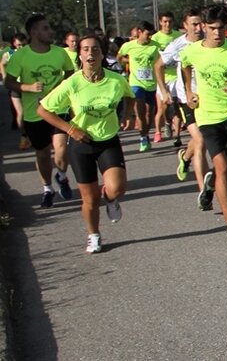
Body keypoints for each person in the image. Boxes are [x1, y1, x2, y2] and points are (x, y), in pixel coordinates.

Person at [37, 35, 132, 254]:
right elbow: (43, 109)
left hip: (108, 140)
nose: (91, 54)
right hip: (81, 144)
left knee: (117, 187)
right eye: (86, 49)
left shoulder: (116, 80)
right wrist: (70, 129)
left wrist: (128, 115)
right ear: (79, 55)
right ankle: (94, 235)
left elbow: (130, 95)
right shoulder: (72, 83)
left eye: (95, 49)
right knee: (89, 199)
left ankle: (110, 199)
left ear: (101, 53)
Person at [180, 5, 227, 244]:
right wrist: (189, 90)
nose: (217, 33)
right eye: (212, 28)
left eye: (221, 28)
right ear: (203, 27)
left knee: (223, 166)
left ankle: (211, 184)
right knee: (223, 167)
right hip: (208, 115)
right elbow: (185, 66)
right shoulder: (192, 51)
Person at [3, 14, 75, 207]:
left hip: (58, 109)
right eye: (45, 28)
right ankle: (47, 188)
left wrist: (59, 87)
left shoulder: (60, 53)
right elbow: (8, 82)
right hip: (34, 112)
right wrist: (27, 87)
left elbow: (70, 73)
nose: (50, 31)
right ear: (34, 32)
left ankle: (61, 175)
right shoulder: (21, 56)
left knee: (61, 147)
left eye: (49, 27)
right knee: (42, 153)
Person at [156, 8, 213, 207]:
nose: (198, 28)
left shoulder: (209, 42)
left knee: (199, 141)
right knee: (200, 141)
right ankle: (204, 192)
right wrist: (164, 91)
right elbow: (158, 65)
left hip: (209, 98)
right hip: (185, 99)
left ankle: (185, 156)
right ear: (185, 26)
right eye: (194, 24)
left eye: (200, 24)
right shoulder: (178, 45)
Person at [118, 21, 161, 152]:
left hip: (151, 84)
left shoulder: (156, 47)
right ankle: (142, 137)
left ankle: (146, 134)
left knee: (149, 113)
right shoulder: (128, 46)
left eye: (151, 35)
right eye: (147, 34)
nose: (149, 37)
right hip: (136, 83)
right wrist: (127, 62)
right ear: (139, 32)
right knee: (139, 111)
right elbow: (119, 56)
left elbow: (161, 62)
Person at [151, 11, 182, 145]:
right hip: (163, 77)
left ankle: (177, 135)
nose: (167, 24)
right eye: (165, 21)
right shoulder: (155, 38)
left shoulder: (178, 36)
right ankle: (162, 127)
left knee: (177, 106)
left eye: (170, 21)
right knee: (163, 107)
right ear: (160, 22)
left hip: (176, 77)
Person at [2, 33, 30, 150]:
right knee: (21, 113)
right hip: (15, 87)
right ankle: (24, 137)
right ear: (14, 44)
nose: (21, 47)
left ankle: (33, 135)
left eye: (23, 45)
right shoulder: (9, 54)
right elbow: (2, 64)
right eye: (19, 45)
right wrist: (5, 77)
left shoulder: (30, 52)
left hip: (29, 86)